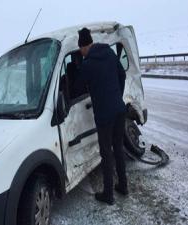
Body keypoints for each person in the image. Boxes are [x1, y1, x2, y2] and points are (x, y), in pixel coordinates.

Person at [75, 28, 128, 205]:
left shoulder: (88, 64)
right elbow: (122, 74)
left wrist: (75, 69)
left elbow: (77, 87)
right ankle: (123, 186)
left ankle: (108, 195)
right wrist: (117, 96)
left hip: (105, 116)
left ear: (83, 46)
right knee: (118, 148)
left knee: (106, 153)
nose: (81, 53)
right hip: (120, 110)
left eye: (80, 50)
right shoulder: (110, 53)